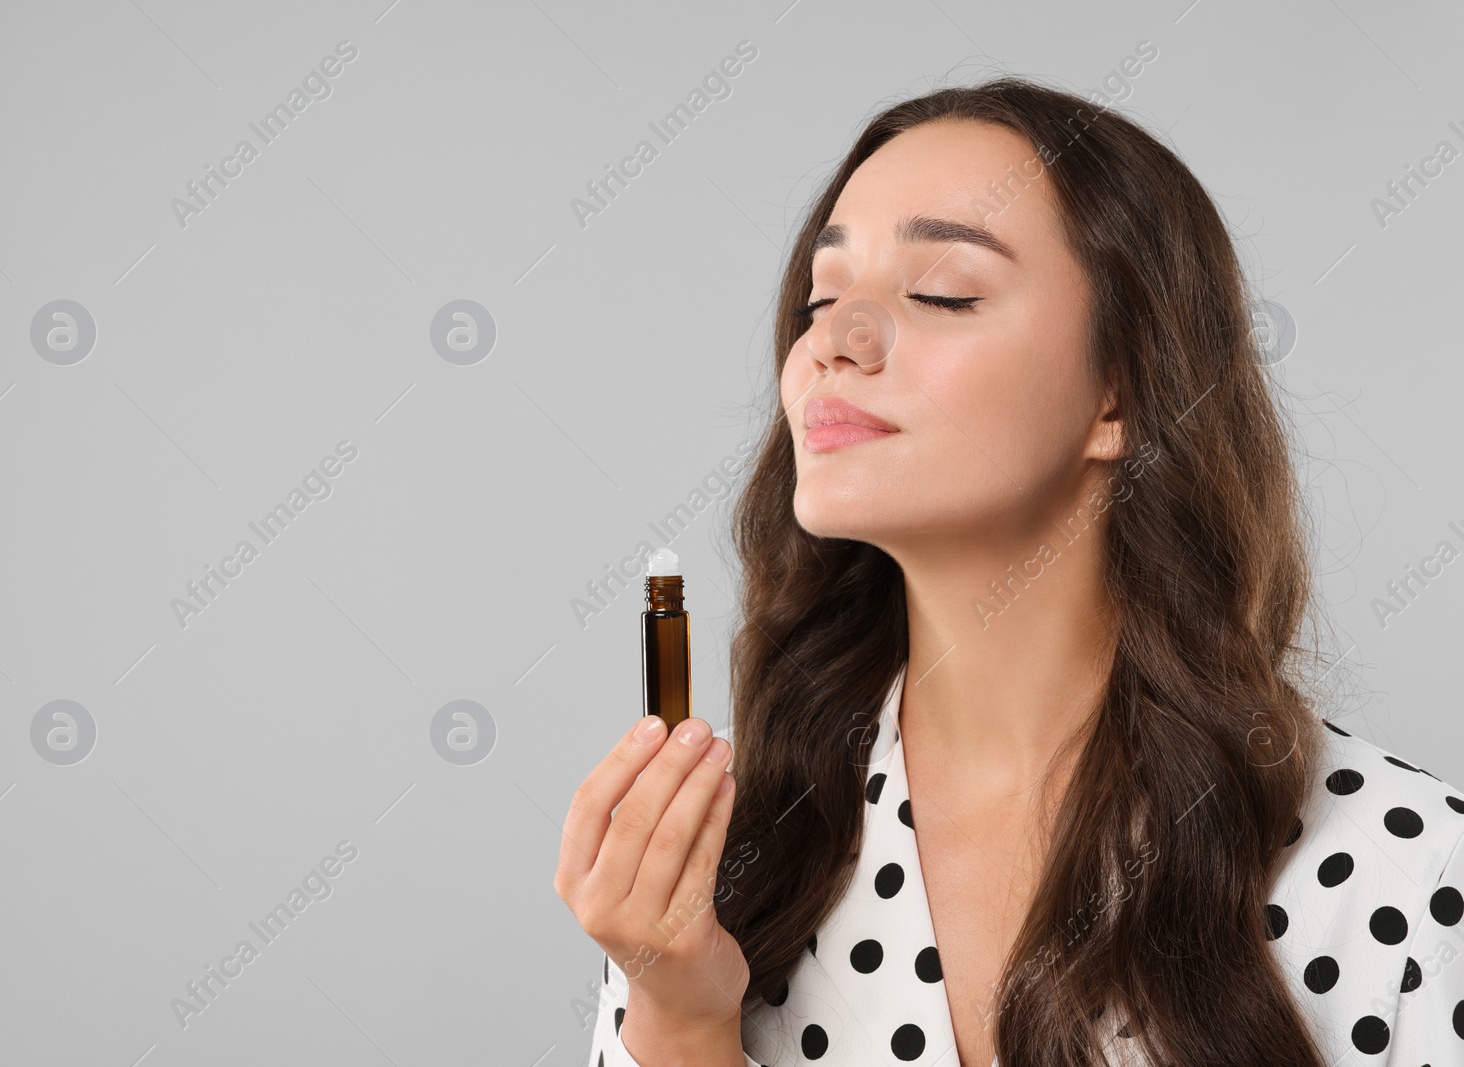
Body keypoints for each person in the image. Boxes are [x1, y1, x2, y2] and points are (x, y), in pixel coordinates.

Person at [554, 76, 1464, 1067]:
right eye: (821, 298)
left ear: (1120, 390)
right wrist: (681, 1019)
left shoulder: (1406, 868)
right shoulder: (721, 854)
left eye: (941, 291)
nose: (833, 342)